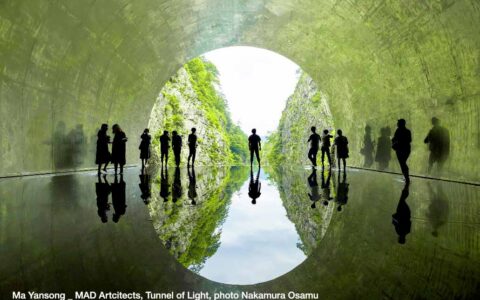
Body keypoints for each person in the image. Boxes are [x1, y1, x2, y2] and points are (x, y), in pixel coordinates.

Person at [392, 119, 412, 183]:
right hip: (406, 149)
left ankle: (407, 178)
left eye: (398, 123)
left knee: (402, 163)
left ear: (401, 124)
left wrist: (395, 143)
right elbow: (409, 140)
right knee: (403, 163)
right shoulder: (407, 131)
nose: (397, 124)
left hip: (400, 149)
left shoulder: (398, 131)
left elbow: (394, 139)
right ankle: (406, 177)